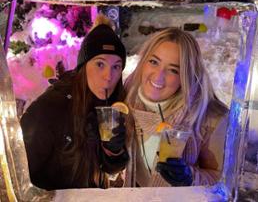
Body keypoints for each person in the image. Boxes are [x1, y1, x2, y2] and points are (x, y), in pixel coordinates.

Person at [20, 14, 129, 190]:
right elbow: (19, 178)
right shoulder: (49, 109)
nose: (108, 76)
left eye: (116, 66)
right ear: (83, 66)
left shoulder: (110, 106)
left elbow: (110, 168)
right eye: (100, 64)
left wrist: (113, 151)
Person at [125, 28, 228, 187]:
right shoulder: (125, 99)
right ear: (143, 61)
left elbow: (220, 179)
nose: (158, 76)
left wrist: (189, 178)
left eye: (173, 70)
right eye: (154, 62)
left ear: (186, 76)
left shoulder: (209, 116)